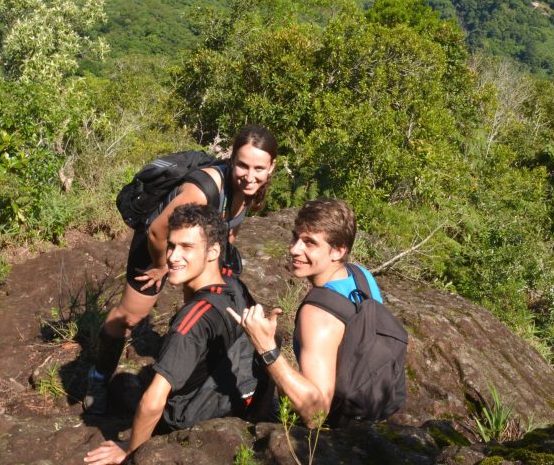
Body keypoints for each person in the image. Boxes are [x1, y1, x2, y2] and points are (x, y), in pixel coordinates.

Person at [85, 125, 278, 415]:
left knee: (201, 307)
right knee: (131, 315)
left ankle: (187, 372)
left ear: (271, 167)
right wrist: (162, 265)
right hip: (159, 246)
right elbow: (157, 232)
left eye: (259, 168)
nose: (249, 176)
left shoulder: (247, 188)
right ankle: (97, 379)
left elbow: (230, 226)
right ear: (232, 160)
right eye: (242, 165)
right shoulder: (205, 188)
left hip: (197, 246)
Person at [84, 204, 256, 465]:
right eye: (172, 246)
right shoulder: (234, 286)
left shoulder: (191, 324)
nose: (173, 257)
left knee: (126, 389)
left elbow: (153, 402)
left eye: (187, 247)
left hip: (192, 418)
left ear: (213, 251)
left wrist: (130, 450)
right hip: (236, 400)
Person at [228, 198, 386, 427]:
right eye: (295, 237)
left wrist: (265, 347)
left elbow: (316, 414)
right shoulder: (361, 276)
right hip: (370, 413)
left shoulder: (317, 313)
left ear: (338, 251)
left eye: (309, 243)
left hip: (335, 432)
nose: (294, 249)